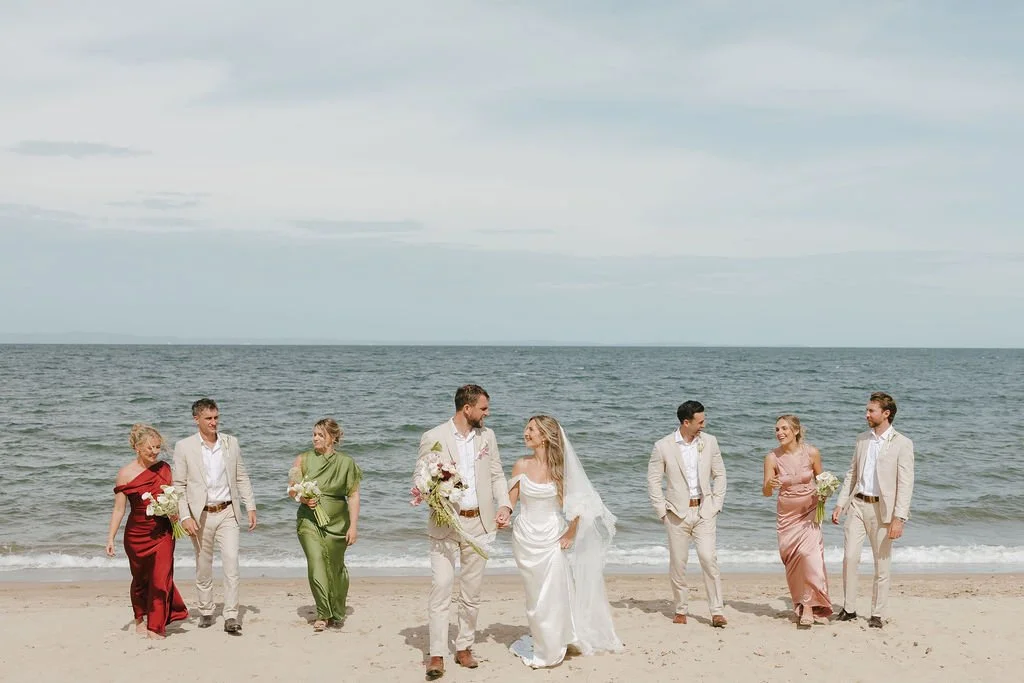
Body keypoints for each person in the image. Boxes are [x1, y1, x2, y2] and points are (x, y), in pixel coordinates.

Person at [507, 415, 622, 668]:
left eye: (532, 429)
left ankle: (552, 645)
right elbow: (510, 501)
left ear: (545, 437)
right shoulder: (520, 465)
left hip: (552, 536)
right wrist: (503, 513)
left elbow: (580, 505)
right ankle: (545, 637)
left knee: (554, 591)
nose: (526, 433)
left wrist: (570, 532)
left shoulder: (560, 470)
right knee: (534, 594)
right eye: (526, 428)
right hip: (525, 537)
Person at [416, 384, 511, 681]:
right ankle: (436, 654)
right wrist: (434, 492)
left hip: (479, 524)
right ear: (466, 408)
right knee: (441, 587)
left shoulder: (488, 436)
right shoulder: (433, 437)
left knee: (472, 592)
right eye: (483, 408)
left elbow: (496, 474)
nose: (487, 413)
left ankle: (465, 646)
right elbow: (420, 479)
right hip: (445, 524)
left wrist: (505, 504)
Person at [172, 398, 257, 635]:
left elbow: (241, 476)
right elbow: (178, 485)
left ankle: (231, 615)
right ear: (196, 419)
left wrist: (250, 506)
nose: (214, 422)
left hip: (228, 512)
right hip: (200, 515)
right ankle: (206, 609)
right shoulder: (184, 447)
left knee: (231, 562)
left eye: (216, 417)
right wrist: (184, 516)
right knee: (203, 565)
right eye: (208, 418)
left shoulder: (231, 443)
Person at [832, 392, 915, 629]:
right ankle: (848, 609)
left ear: (886, 414)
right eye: (867, 410)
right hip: (857, 504)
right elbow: (852, 473)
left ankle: (877, 613)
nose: (866, 414)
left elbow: (905, 484)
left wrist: (899, 518)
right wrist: (840, 503)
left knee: (882, 562)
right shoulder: (861, 439)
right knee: (849, 558)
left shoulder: (902, 443)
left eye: (871, 411)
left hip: (884, 510)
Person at [646, 400, 728, 627]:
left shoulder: (710, 442)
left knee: (708, 558)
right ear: (686, 422)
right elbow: (653, 481)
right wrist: (662, 511)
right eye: (700, 421)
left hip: (705, 510)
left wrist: (717, 503)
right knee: (678, 563)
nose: (704, 424)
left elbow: (720, 474)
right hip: (676, 513)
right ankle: (681, 609)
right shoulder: (662, 446)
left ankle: (717, 611)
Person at [105, 424, 188, 639]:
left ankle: (156, 627)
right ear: (137, 448)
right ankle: (139, 617)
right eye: (150, 448)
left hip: (163, 533)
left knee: (161, 579)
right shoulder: (125, 474)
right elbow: (119, 509)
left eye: (158, 447)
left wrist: (177, 517)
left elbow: (174, 499)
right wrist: (110, 538)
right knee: (140, 579)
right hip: (136, 535)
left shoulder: (165, 469)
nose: (154, 452)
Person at [288, 418, 362, 632]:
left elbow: (354, 496)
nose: (315, 439)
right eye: (314, 435)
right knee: (316, 562)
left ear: (333, 438)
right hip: (308, 520)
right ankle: (322, 613)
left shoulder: (347, 463)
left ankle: (337, 611)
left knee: (336, 567)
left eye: (320, 435)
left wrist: (353, 526)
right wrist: (303, 498)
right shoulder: (302, 459)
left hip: (338, 522)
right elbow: (292, 489)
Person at [762, 414, 832, 628]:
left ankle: (810, 607)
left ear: (796, 431)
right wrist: (770, 484)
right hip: (787, 516)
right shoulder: (772, 458)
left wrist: (824, 494)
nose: (779, 433)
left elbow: (823, 481)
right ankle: (800, 602)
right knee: (793, 560)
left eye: (784, 428)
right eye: (777, 429)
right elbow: (766, 492)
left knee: (809, 556)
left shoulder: (812, 453)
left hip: (810, 512)